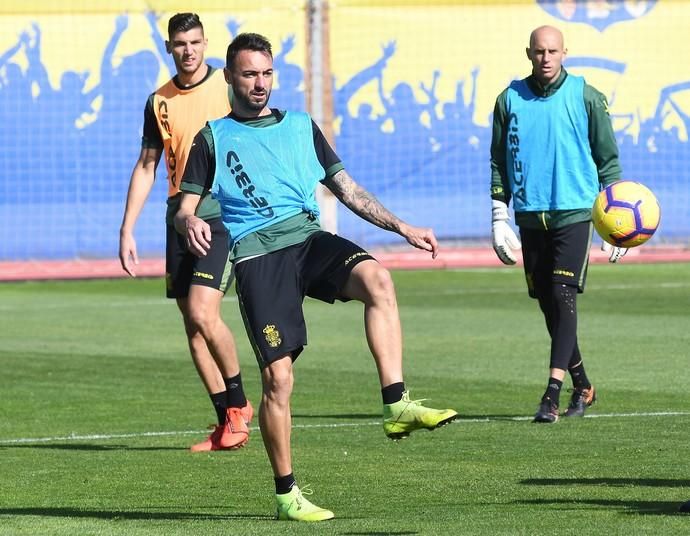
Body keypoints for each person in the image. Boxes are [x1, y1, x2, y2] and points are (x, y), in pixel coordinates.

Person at [174, 32, 458, 522]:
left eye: (266, 73)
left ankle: (396, 404)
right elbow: (184, 208)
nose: (260, 83)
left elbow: (349, 190)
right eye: (249, 74)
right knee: (278, 380)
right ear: (229, 77)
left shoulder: (303, 126)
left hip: (308, 239)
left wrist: (402, 225)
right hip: (260, 256)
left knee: (379, 281)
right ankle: (287, 495)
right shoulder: (213, 138)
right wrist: (191, 220)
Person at [119, 13, 252, 451]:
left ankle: (240, 405)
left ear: (205, 43)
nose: (189, 50)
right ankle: (225, 423)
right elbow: (147, 166)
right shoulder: (159, 100)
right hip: (178, 214)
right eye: (180, 44)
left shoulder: (228, 87)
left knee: (202, 312)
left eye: (195, 42)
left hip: (221, 213)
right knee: (191, 326)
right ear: (170, 48)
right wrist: (127, 229)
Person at [489, 25, 627, 424]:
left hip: (575, 213)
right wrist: (500, 214)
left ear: (565, 52)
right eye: (538, 51)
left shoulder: (586, 97)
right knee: (548, 303)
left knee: (562, 292)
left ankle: (551, 393)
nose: (545, 58)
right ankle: (582, 383)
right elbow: (498, 161)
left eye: (552, 51)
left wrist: (616, 221)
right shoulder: (508, 100)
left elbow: (609, 161)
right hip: (530, 216)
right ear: (528, 53)